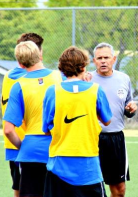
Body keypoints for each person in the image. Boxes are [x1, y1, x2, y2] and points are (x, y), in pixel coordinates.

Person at [42, 46, 112, 197]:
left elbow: (46, 128)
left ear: (62, 68)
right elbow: (107, 120)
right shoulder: (95, 90)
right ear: (83, 66)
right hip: (88, 168)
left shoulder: (52, 91)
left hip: (58, 165)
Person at [3, 40, 62, 197]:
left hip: (32, 151)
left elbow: (8, 130)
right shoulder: (59, 77)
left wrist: (22, 146)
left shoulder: (18, 85)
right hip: (59, 148)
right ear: (40, 55)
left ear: (20, 64)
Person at [91, 42, 137, 197]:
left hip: (115, 139)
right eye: (99, 58)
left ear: (114, 59)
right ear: (94, 61)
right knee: (93, 188)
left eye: (106, 57)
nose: (103, 61)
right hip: (92, 139)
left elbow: (127, 108)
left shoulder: (124, 79)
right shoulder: (87, 80)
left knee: (119, 190)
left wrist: (130, 110)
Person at [1, 32, 42, 197]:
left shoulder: (12, 75)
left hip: (21, 144)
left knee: (20, 189)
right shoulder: (20, 76)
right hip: (23, 144)